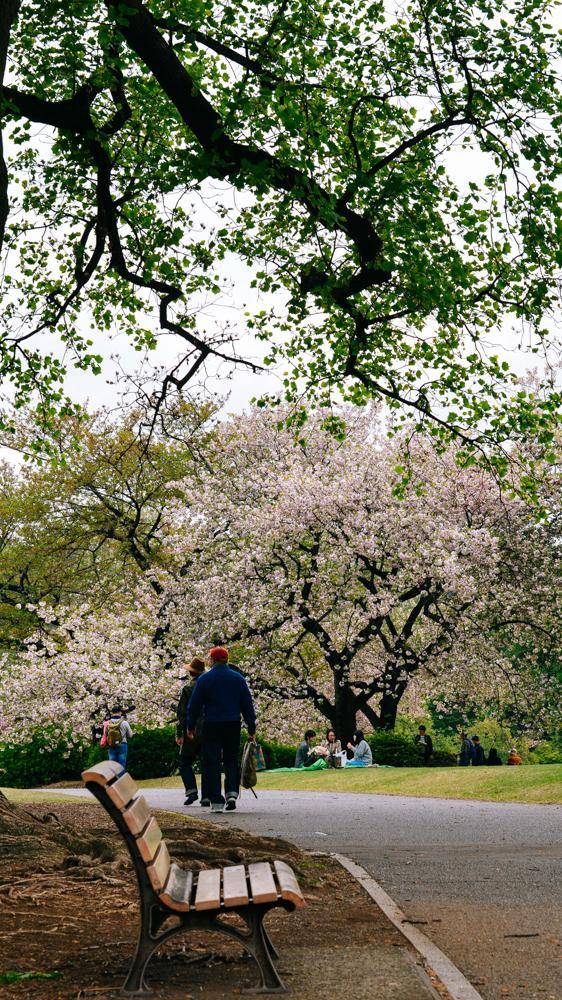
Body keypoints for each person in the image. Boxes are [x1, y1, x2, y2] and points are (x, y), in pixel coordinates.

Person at [186, 646, 256, 813]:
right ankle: (232, 793)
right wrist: (251, 727)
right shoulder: (238, 679)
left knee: (212, 761)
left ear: (212, 659)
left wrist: (190, 725)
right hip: (232, 723)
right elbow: (247, 705)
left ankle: (217, 800)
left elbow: (194, 705)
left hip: (212, 724)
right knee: (231, 758)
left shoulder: (205, 679)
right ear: (227, 659)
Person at [176, 656, 206, 806]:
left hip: (191, 729)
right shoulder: (209, 686)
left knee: (185, 762)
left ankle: (192, 791)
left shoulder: (188, 688)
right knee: (207, 763)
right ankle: (207, 795)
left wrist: (180, 732)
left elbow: (181, 713)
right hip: (209, 728)